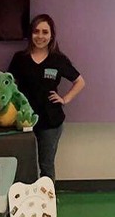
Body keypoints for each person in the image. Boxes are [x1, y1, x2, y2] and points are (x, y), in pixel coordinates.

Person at [8, 14, 85, 181]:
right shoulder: (19, 59)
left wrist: (65, 99)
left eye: (45, 32)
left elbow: (80, 82)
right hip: (24, 120)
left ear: (51, 35)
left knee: (46, 164)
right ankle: (25, 199)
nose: (40, 36)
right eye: (36, 32)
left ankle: (48, 199)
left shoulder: (58, 59)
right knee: (24, 162)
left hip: (50, 121)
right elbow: (9, 86)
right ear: (31, 34)